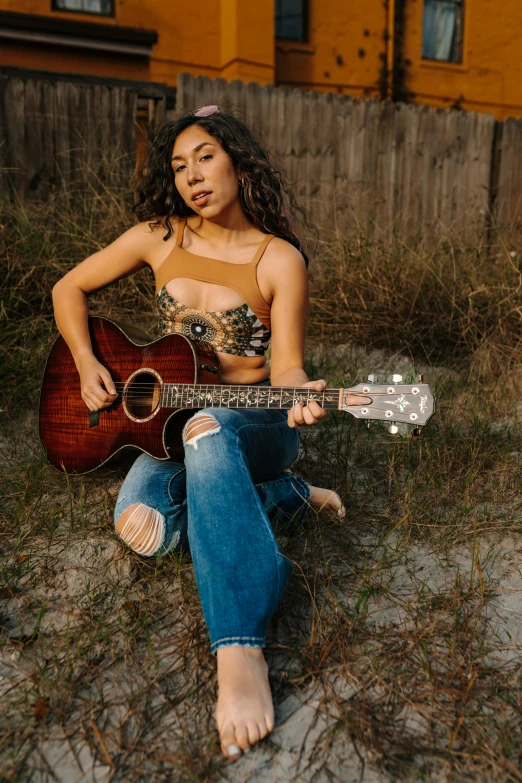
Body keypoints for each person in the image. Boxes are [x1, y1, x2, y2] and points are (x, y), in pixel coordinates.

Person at [52, 106, 363, 760]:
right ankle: (284, 498)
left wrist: (301, 390)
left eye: (205, 157)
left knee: (207, 425)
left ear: (237, 160)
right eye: (179, 165)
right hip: (170, 424)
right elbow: (68, 288)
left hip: (255, 424)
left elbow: (286, 366)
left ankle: (240, 646)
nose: (192, 176)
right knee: (142, 523)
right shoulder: (157, 236)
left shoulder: (280, 259)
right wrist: (85, 363)